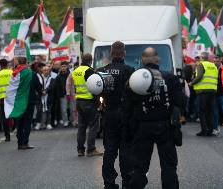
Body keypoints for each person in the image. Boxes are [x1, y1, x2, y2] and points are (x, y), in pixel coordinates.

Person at [123, 47, 185, 189]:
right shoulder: (169, 77)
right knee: (169, 165)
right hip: (165, 126)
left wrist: (127, 133)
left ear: (143, 60)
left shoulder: (133, 80)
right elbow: (181, 101)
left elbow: (126, 109)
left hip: (142, 127)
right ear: (157, 58)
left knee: (139, 166)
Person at [97, 41, 134, 189]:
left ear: (111, 53)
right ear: (124, 53)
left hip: (109, 113)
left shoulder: (103, 71)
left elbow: (97, 92)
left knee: (110, 150)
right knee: (126, 149)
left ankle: (109, 183)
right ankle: (127, 182)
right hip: (125, 114)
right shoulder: (130, 70)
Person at [4, 57, 42, 150]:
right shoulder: (32, 74)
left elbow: (11, 88)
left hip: (18, 102)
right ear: (27, 63)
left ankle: (20, 143)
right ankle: (25, 143)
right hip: (29, 101)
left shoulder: (14, 74)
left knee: (19, 123)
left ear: (18, 63)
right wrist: (41, 93)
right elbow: (39, 87)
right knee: (27, 123)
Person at [72, 54, 103, 157]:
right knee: (94, 125)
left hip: (79, 101)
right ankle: (91, 149)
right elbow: (94, 88)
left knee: (81, 126)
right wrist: (98, 103)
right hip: (88, 101)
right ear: (91, 61)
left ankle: (80, 150)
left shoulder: (76, 71)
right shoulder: (89, 71)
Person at [190, 52, 218, 136]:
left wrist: (191, 83)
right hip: (212, 90)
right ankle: (210, 130)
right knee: (210, 111)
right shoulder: (213, 66)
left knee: (201, 111)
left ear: (202, 58)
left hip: (202, 91)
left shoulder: (201, 65)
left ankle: (204, 130)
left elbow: (199, 76)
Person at [0, 59, 13, 141]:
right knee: (14, 114)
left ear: (0, 65)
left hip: (1, 98)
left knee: (5, 117)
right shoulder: (11, 73)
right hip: (11, 97)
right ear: (7, 64)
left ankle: (7, 136)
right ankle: (17, 131)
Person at [55, 62, 70, 127]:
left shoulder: (71, 75)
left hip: (71, 94)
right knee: (64, 109)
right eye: (62, 66)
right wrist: (59, 95)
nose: (63, 68)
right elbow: (57, 87)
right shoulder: (58, 77)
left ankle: (73, 121)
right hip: (63, 95)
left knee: (73, 109)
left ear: (67, 67)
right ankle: (65, 121)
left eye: (64, 66)